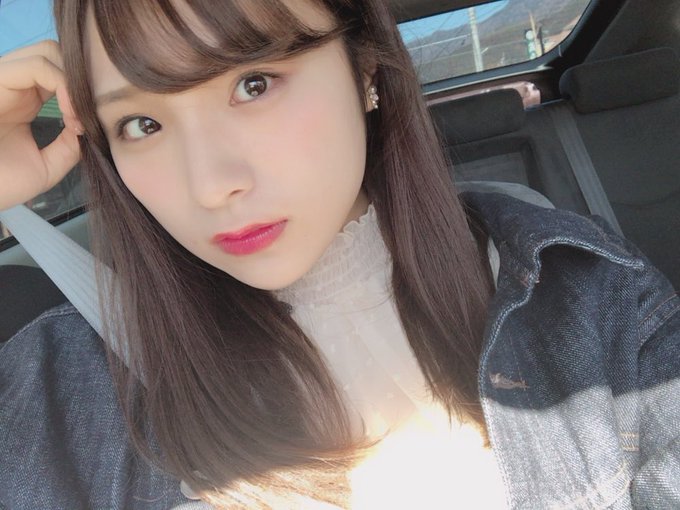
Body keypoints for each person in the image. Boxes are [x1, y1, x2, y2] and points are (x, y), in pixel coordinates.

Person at [0, 0, 678, 508]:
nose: (209, 185)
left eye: (253, 83)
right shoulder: (60, 387)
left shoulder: (589, 290)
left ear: (364, 67)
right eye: (142, 123)